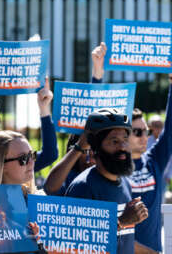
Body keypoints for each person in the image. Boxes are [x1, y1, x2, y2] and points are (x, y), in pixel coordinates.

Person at [65, 108, 148, 254]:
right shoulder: (83, 188)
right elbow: (75, 246)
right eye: (114, 141)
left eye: (125, 140)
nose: (122, 147)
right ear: (95, 147)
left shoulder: (125, 183)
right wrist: (122, 221)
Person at [43, 42, 106, 195]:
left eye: (95, 151)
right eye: (85, 151)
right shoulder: (66, 180)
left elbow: (93, 113)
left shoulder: (109, 178)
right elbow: (50, 187)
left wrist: (97, 72)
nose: (91, 158)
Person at [127, 76, 172, 254]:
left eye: (145, 132)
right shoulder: (112, 170)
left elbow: (169, 131)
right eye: (137, 132)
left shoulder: (154, 161)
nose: (145, 137)